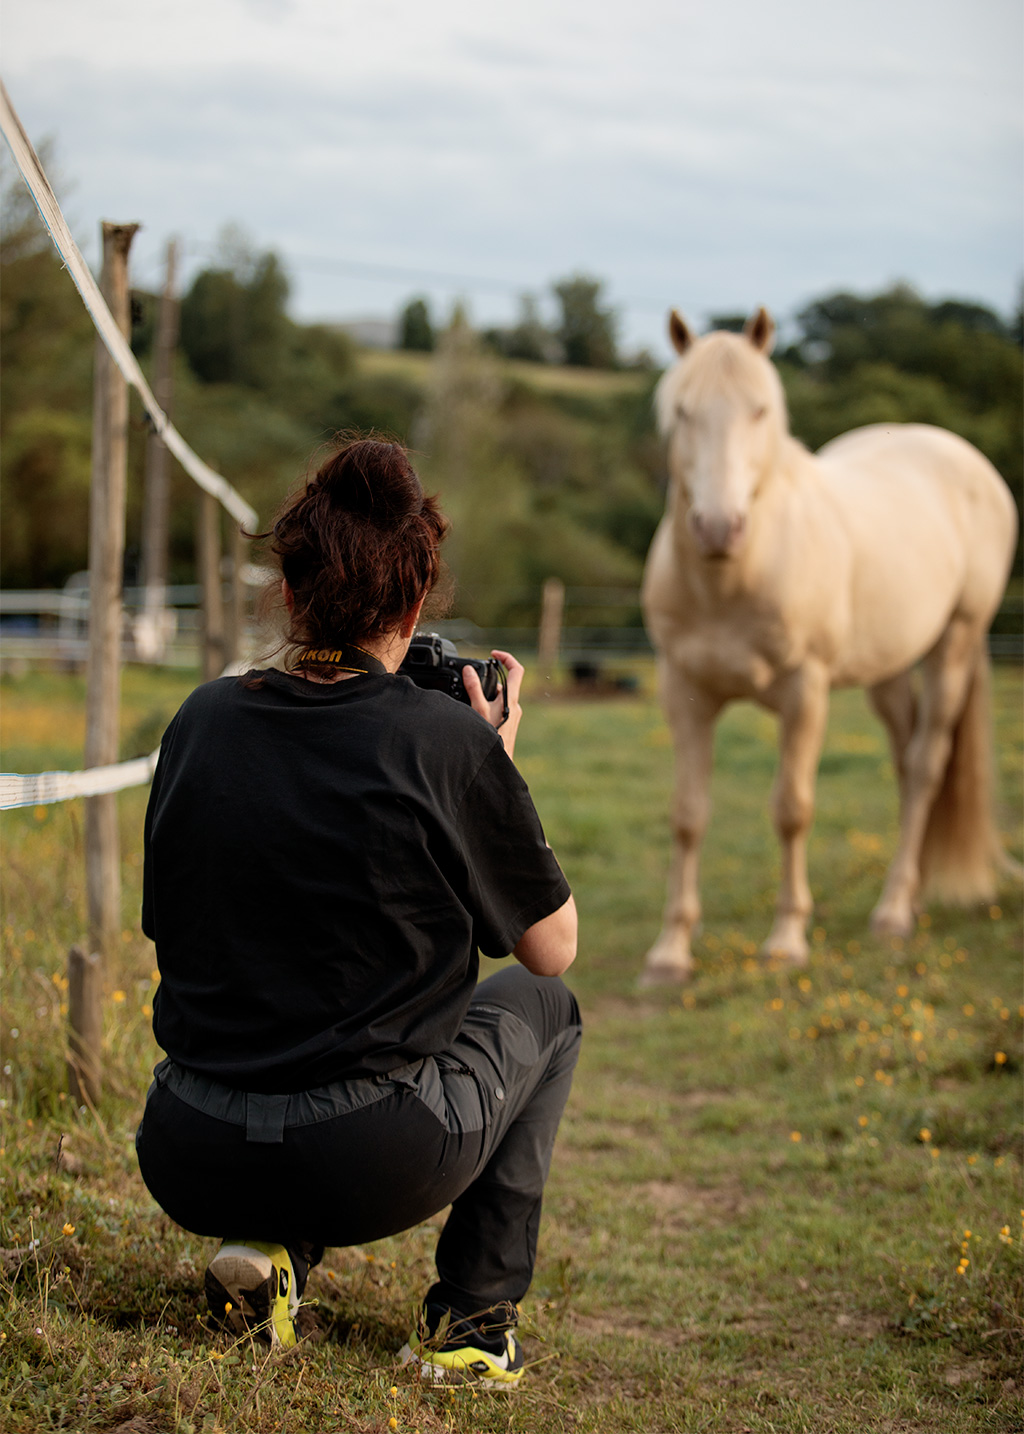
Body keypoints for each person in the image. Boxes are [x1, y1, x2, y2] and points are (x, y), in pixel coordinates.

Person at [135, 436, 580, 1389]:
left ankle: (270, 1253)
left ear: (290, 593)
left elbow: (171, 927)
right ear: (416, 600)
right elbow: (552, 949)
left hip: (186, 1144)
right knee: (552, 1011)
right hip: (370, 1159)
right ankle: (473, 1318)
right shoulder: (445, 742)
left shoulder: (199, 720)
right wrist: (492, 767)